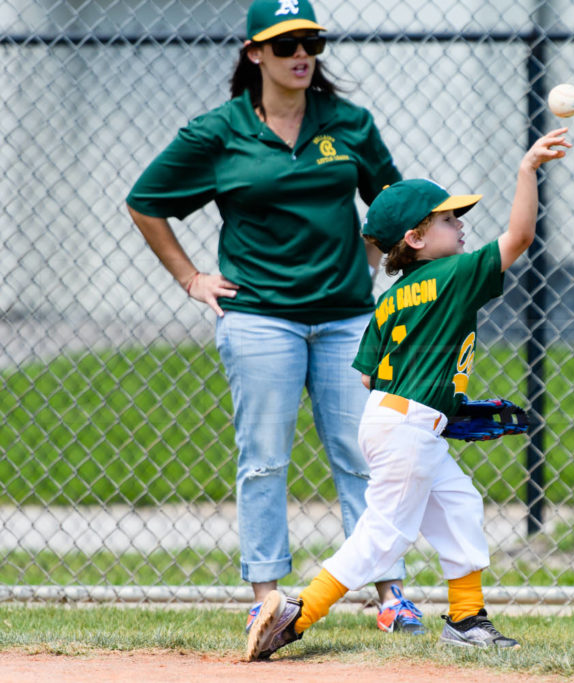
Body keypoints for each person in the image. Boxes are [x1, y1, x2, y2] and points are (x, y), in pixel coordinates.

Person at [125, 0, 424, 637]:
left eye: (310, 42)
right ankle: (267, 596)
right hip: (259, 318)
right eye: (285, 44)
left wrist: (371, 260)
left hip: (347, 319)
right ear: (254, 53)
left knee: (364, 454)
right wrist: (190, 277)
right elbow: (146, 201)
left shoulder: (348, 123)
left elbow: (394, 205)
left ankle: (390, 594)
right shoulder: (218, 131)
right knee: (263, 458)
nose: (300, 55)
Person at [244, 126, 571, 660]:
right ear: (416, 239)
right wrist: (526, 170)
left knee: (460, 505)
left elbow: (371, 377)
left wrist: (444, 405)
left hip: (392, 418)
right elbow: (519, 238)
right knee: (383, 535)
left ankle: (466, 619)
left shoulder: (391, 298)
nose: (460, 224)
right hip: (410, 426)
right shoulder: (455, 274)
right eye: (447, 219)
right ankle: (296, 613)